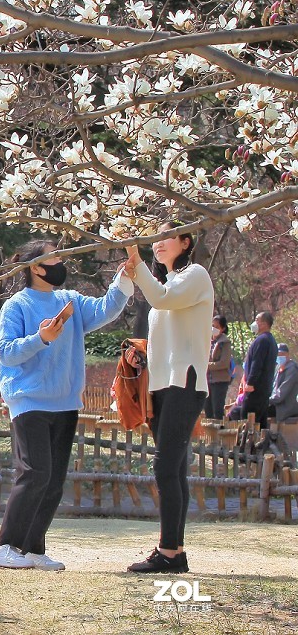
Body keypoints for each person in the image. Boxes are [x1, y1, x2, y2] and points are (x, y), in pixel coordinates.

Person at [0, 240, 132, 571]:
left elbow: (104, 310)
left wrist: (124, 279)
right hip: (28, 399)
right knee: (35, 472)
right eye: (55, 257)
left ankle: (34, 549)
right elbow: (6, 352)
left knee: (53, 480)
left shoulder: (70, 301)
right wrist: (41, 339)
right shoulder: (16, 306)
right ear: (36, 267)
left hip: (65, 401)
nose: (61, 262)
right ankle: (5, 546)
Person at [122, 223, 214, 574]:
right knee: (174, 469)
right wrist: (140, 357)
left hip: (185, 383)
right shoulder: (170, 283)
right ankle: (175, 552)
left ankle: (168, 551)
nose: (157, 244)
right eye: (154, 239)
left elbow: (161, 299)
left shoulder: (196, 274)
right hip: (162, 384)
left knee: (164, 466)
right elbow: (165, 321)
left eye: (165, 238)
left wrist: (137, 262)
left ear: (185, 241)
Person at [242, 311, 279, 427]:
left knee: (248, 419)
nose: (254, 322)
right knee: (261, 421)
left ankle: (248, 444)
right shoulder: (271, 340)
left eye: (257, 320)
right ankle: (262, 444)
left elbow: (257, 363)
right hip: (265, 388)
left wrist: (250, 382)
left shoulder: (262, 340)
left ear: (264, 323)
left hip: (256, 389)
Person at [205, 315, 233, 420]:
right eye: (212, 326)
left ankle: (219, 433)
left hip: (219, 381)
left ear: (223, 328)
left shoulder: (224, 342)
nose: (213, 329)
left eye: (216, 327)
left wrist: (207, 366)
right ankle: (209, 435)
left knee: (217, 409)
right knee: (207, 409)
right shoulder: (208, 341)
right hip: (208, 380)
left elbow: (223, 363)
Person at [270, 343, 298, 421]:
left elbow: (280, 395)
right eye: (278, 355)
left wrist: (266, 400)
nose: (279, 357)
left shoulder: (292, 369)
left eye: (282, 354)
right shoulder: (278, 369)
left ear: (288, 355)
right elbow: (272, 389)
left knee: (258, 412)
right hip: (276, 405)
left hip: (285, 408)